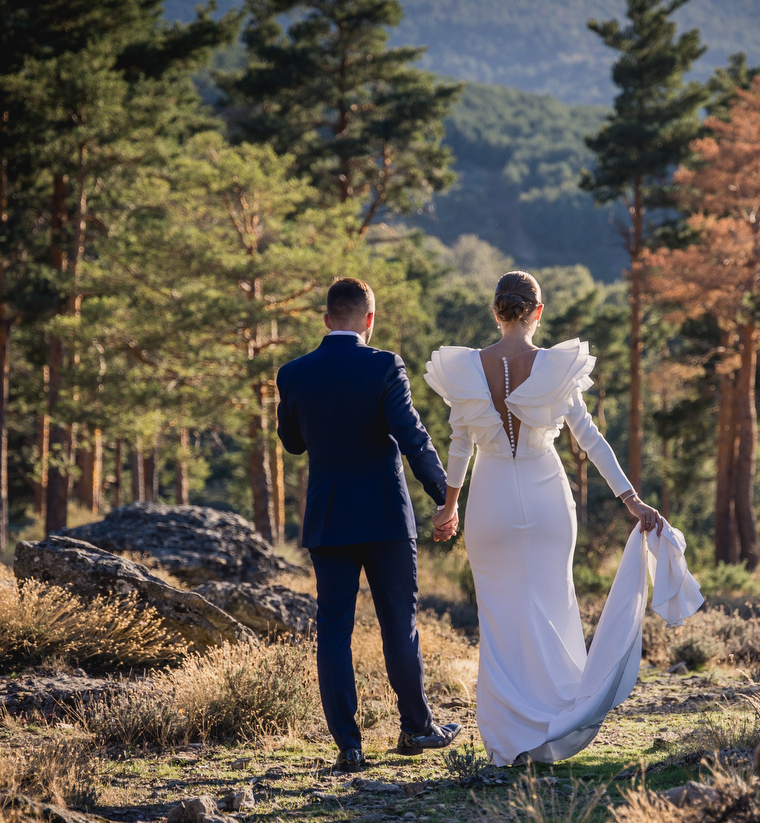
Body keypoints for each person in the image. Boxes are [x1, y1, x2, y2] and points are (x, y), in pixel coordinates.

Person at [425, 271, 703, 765]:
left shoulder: (468, 369)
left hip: (489, 503)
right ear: (537, 312)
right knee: (552, 607)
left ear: (496, 312)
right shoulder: (555, 368)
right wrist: (631, 500)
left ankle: (509, 740)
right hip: (547, 499)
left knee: (501, 618)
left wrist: (448, 507)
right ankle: (555, 718)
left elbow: (460, 445)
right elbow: (589, 439)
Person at [276, 277, 461, 774]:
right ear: (369, 319)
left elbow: (292, 443)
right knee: (398, 624)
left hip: (330, 517)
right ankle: (416, 728)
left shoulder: (293, 373)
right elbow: (413, 439)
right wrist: (447, 498)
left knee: (333, 631)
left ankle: (349, 747)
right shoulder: (384, 365)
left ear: (326, 319)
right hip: (385, 516)